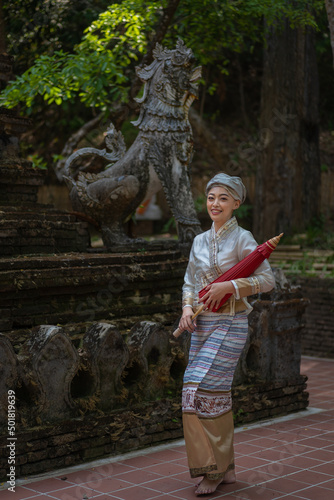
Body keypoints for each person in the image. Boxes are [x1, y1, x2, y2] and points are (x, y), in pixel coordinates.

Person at [178, 172, 275, 496]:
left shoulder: (243, 238)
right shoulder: (199, 241)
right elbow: (190, 281)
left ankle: (215, 470)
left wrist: (230, 286)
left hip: (231, 324)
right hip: (202, 325)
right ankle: (227, 467)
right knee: (209, 394)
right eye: (210, 197)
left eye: (222, 198)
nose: (215, 203)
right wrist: (187, 309)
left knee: (202, 389)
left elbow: (267, 280)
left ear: (236, 203)